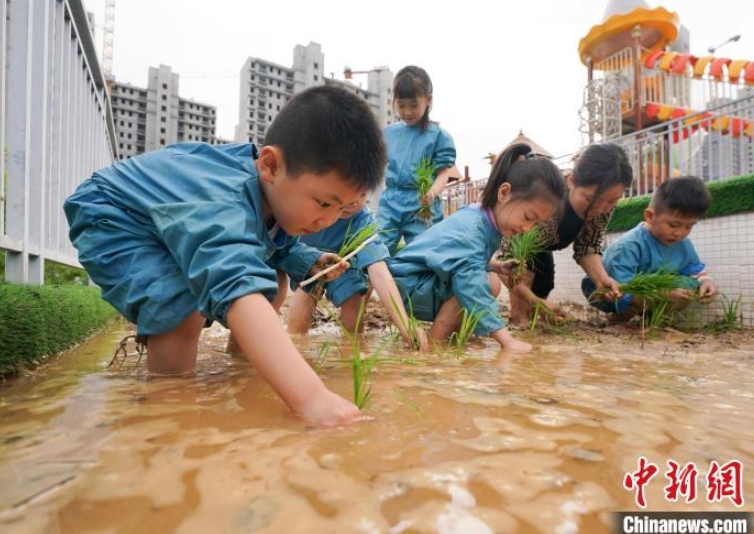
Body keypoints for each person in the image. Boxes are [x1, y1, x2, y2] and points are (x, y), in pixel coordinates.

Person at [64, 85, 386, 427]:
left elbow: (275, 242)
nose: (328, 220)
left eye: (341, 210)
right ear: (270, 166)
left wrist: (306, 260)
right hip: (114, 214)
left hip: (163, 221)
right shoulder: (224, 198)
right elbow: (235, 282)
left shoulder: (269, 196)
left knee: (272, 281)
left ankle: (241, 364)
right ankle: (168, 404)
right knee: (179, 306)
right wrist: (312, 399)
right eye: (324, 203)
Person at [387, 143, 566, 352]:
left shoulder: (481, 218)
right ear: (504, 192)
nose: (527, 228)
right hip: (407, 286)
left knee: (490, 280)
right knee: (477, 284)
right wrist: (506, 341)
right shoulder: (472, 228)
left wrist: (496, 266)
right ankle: (434, 344)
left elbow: (453, 256)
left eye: (535, 224)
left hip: (416, 281)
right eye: (527, 217)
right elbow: (470, 283)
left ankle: (451, 337)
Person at [496, 142, 634, 324]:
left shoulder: (602, 209)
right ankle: (519, 322)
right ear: (572, 180)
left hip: (543, 244)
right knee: (525, 276)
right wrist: (535, 301)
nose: (600, 208)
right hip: (518, 247)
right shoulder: (545, 203)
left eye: (611, 201)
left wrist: (602, 279)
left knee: (544, 282)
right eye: (590, 199)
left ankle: (531, 323)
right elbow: (507, 260)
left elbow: (588, 247)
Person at [287, 193, 429, 350]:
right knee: (305, 299)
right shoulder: (309, 211)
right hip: (309, 259)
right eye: (347, 191)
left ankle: (353, 347)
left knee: (353, 299)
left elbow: (379, 272)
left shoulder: (363, 223)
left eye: (360, 194)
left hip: (346, 264)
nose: (352, 202)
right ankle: (295, 346)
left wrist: (404, 325)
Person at [582, 175, 718, 318]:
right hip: (609, 289)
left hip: (648, 286)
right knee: (625, 292)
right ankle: (623, 315)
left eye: (688, 226)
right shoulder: (628, 246)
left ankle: (653, 320)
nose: (679, 233)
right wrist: (661, 294)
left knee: (688, 285)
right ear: (650, 216)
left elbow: (693, 271)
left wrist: (706, 281)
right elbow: (620, 287)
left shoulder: (683, 244)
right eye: (673, 225)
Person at [377, 65, 458, 255]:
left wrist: (432, 192)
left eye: (413, 105)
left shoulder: (438, 136)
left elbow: (443, 173)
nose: (407, 112)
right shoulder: (387, 134)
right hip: (391, 203)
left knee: (424, 254)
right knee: (376, 252)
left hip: (422, 204)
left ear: (428, 100)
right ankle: (368, 285)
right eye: (401, 104)